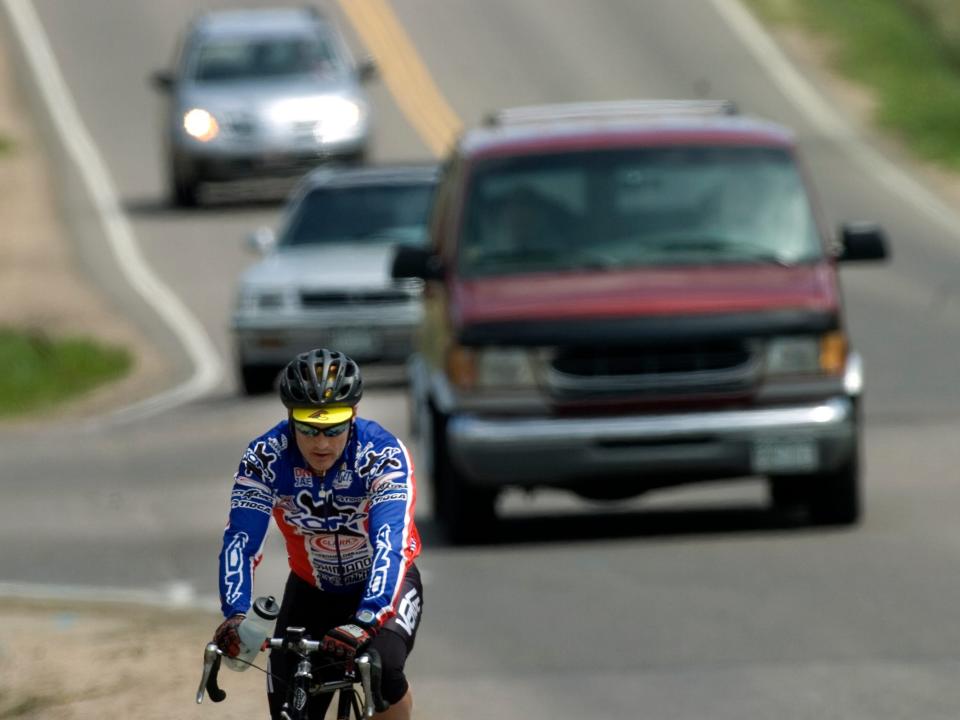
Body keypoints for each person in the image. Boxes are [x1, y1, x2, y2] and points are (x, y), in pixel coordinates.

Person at [212, 348, 423, 720]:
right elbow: (241, 542)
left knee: (382, 669)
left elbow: (391, 543)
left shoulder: (382, 455)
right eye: (308, 428)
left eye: (334, 428)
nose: (321, 443)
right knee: (288, 709)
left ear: (353, 416)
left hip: (382, 589)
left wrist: (367, 619)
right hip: (311, 591)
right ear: (290, 418)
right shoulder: (265, 458)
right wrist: (235, 613)